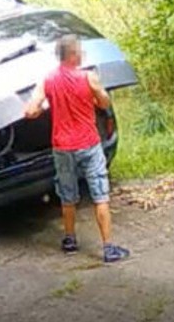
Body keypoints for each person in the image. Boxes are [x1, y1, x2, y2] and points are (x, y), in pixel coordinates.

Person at [24, 34, 130, 263]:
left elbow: (30, 111)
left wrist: (44, 106)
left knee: (67, 194)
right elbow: (104, 102)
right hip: (89, 145)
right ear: (72, 55)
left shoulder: (47, 80)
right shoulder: (88, 77)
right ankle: (108, 247)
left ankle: (70, 239)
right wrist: (95, 96)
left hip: (62, 147)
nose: (82, 54)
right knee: (100, 194)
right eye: (79, 51)